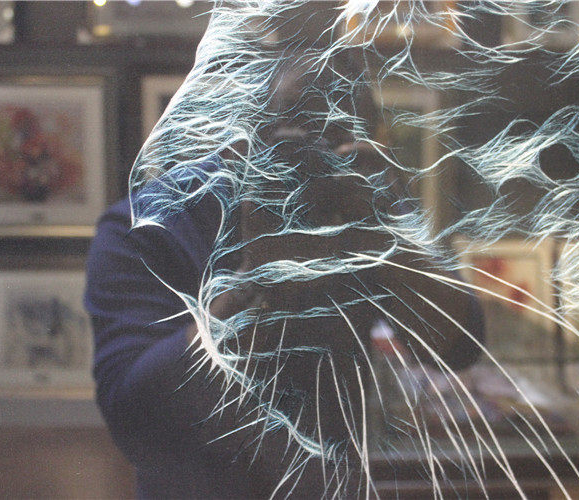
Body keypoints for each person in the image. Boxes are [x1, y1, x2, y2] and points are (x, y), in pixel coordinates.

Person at [85, 54, 485, 498]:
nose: (311, 166)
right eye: (289, 142)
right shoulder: (151, 226)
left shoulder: (360, 209)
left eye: (335, 141)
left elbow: (461, 345)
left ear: (366, 144)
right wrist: (254, 283)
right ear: (236, 135)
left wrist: (389, 240)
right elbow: (130, 414)